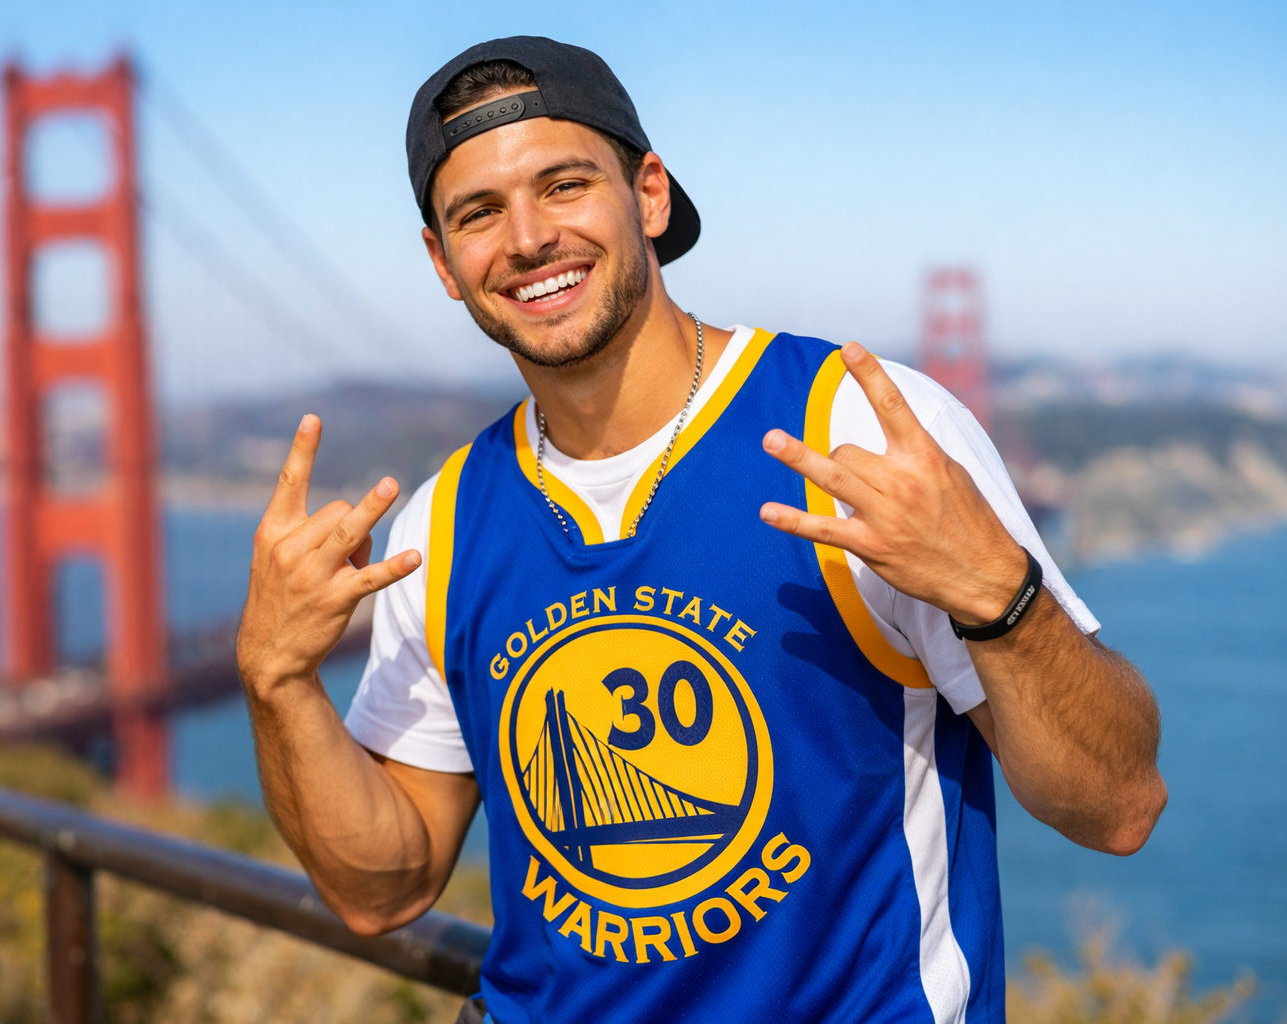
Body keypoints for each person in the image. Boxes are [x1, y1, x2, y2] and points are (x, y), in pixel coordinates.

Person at [235, 36, 1167, 1024]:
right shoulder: (447, 521)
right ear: (443, 262)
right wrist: (277, 677)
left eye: (563, 185)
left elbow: (1118, 806)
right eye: (479, 213)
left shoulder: (855, 433)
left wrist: (1001, 597)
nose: (528, 238)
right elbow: (382, 889)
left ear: (649, 195)